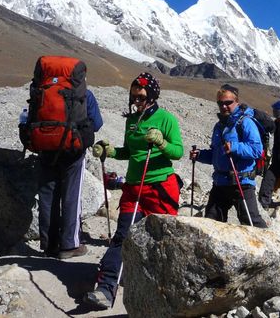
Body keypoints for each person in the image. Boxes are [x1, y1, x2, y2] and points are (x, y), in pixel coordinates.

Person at [83, 73, 183, 310]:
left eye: (140, 96)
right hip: (134, 188)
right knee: (123, 235)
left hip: (160, 188)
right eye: (133, 96)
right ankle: (106, 287)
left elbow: (177, 151)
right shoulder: (132, 120)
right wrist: (111, 152)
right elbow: (130, 151)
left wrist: (161, 143)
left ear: (152, 95)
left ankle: (167, 286)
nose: (136, 100)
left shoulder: (166, 119)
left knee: (163, 240)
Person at [189, 84, 267, 228]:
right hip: (220, 183)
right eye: (220, 103)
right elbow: (216, 155)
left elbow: (256, 150)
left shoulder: (246, 122)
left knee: (251, 222)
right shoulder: (219, 126)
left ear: (236, 102)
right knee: (211, 222)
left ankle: (272, 247)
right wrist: (199, 155)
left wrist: (235, 147)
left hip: (241, 182)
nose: (224, 106)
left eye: (228, 103)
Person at [38, 89, 103, 259]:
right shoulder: (84, 94)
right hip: (72, 151)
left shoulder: (44, 91)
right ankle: (69, 245)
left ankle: (49, 245)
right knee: (71, 196)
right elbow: (96, 123)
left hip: (46, 148)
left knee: (47, 196)